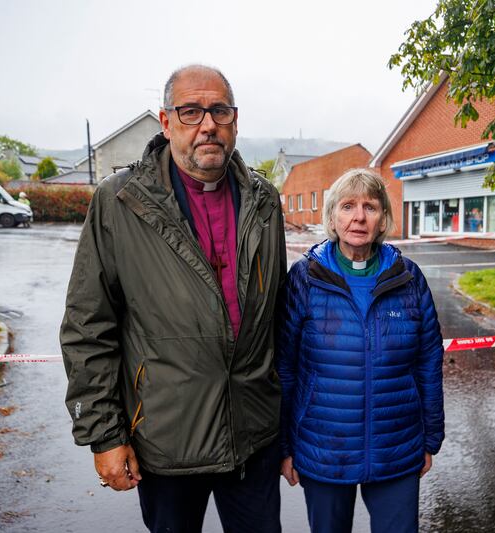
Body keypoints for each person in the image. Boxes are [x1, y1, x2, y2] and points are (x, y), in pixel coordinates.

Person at [60, 64, 286, 533]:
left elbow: (277, 318)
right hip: (166, 444)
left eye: (219, 111)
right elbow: (88, 326)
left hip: (253, 439)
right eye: (190, 112)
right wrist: (104, 435)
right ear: (166, 122)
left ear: (235, 121)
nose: (207, 125)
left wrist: (286, 425)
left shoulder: (264, 200)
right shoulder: (120, 202)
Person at [277, 168, 445, 533]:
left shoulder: (409, 277)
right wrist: (284, 445)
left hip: (396, 448)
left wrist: (431, 436)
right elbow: (285, 368)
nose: (358, 217)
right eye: (348, 206)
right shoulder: (305, 279)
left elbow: (428, 361)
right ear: (332, 217)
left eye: (370, 207)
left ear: (383, 217)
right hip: (324, 450)